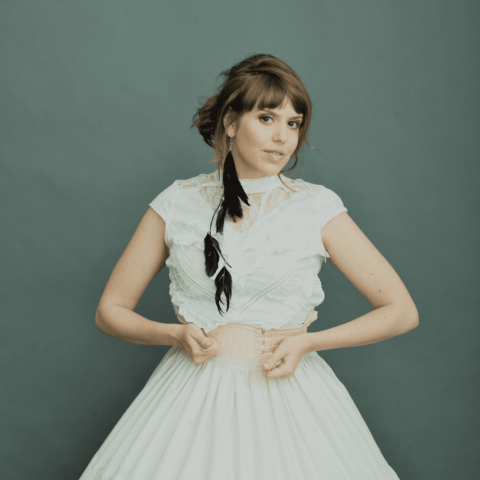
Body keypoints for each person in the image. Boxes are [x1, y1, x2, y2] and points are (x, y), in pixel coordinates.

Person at [79, 54, 418, 480]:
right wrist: (174, 334)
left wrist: (308, 344)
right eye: (267, 118)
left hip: (291, 398)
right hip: (189, 397)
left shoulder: (316, 207)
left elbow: (401, 311)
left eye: (293, 123)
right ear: (230, 122)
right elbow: (109, 311)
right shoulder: (176, 202)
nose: (283, 137)